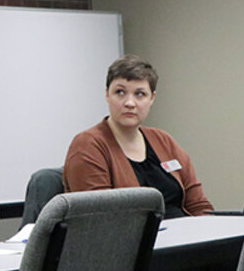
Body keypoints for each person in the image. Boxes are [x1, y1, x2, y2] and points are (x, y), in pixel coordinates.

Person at [63, 55, 213, 218]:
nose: (129, 103)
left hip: (185, 237)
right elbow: (99, 219)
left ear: (152, 98)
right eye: (120, 92)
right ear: (107, 95)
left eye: (140, 94)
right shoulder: (88, 144)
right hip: (133, 241)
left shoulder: (163, 140)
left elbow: (199, 205)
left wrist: (207, 234)